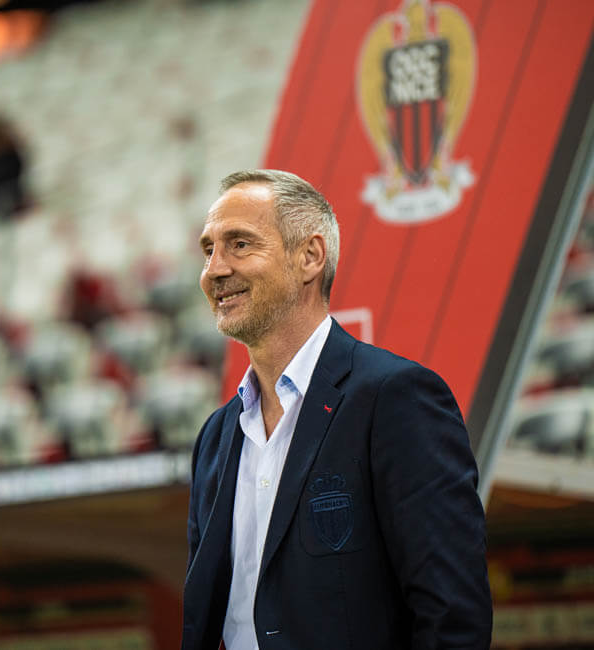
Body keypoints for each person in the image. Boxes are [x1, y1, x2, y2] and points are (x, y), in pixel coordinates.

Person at [184, 170, 491, 649]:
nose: (215, 270)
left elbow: (453, 614)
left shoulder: (397, 397)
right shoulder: (215, 437)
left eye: (239, 244)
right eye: (209, 250)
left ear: (310, 256)